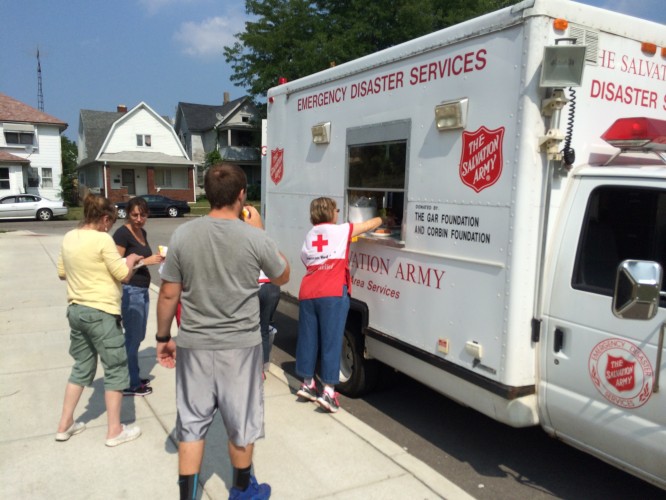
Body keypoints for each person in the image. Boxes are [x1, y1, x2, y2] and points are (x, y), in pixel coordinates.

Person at [155, 163, 290, 500]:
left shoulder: (183, 235)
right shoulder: (254, 237)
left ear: (207, 194)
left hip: (194, 344)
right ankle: (243, 492)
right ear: (242, 196)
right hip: (240, 348)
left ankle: (188, 496)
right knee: (241, 425)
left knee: (191, 426)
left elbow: (169, 293)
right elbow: (283, 275)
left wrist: (162, 338)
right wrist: (261, 229)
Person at [55, 194, 143, 447]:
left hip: (76, 310)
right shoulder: (102, 239)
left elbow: (62, 273)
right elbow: (122, 275)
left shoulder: (70, 236)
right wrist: (131, 260)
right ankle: (114, 431)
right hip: (102, 312)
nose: (110, 227)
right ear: (105, 218)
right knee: (115, 368)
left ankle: (65, 424)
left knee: (82, 366)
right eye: (110, 222)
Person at [295, 197, 382, 413]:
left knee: (308, 339)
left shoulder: (310, 235)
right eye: (337, 209)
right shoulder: (342, 230)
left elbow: (305, 259)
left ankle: (307, 384)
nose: (338, 213)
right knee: (332, 341)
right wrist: (383, 217)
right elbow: (370, 225)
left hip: (308, 291)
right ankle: (328, 392)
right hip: (332, 293)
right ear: (331, 213)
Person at [113, 197, 164, 396]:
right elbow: (117, 266)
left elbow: (144, 257)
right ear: (128, 213)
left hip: (142, 289)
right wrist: (145, 262)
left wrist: (157, 259)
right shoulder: (122, 234)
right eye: (135, 215)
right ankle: (129, 382)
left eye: (143, 215)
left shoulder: (142, 232)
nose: (139, 219)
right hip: (130, 290)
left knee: (139, 335)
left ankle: (131, 375)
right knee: (133, 338)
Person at [241, 205, 281, 376]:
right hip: (271, 287)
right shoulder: (263, 237)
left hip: (252, 288)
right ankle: (262, 367)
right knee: (263, 328)